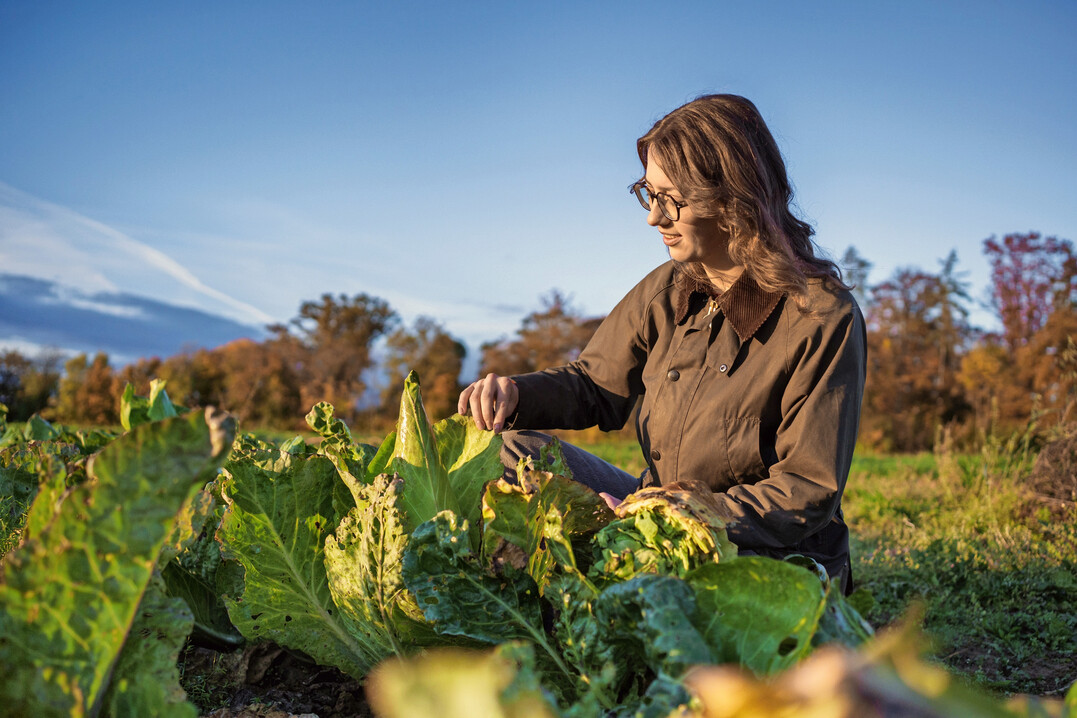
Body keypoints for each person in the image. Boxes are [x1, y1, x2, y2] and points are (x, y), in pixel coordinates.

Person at [457, 94, 866, 592]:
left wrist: (666, 517)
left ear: (732, 197)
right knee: (517, 452)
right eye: (647, 193)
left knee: (661, 590)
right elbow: (594, 386)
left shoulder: (821, 316)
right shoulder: (666, 288)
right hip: (648, 515)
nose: (653, 217)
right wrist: (517, 395)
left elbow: (806, 488)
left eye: (672, 199)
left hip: (762, 550)